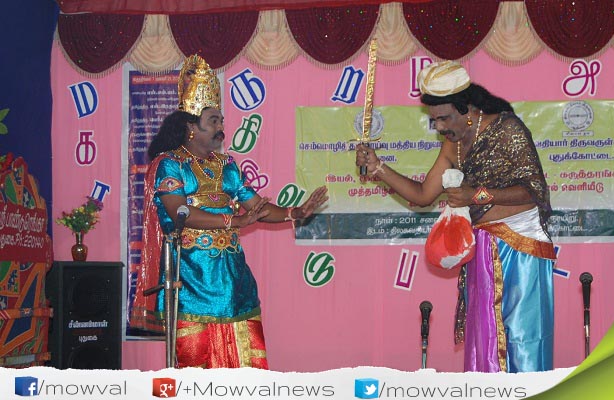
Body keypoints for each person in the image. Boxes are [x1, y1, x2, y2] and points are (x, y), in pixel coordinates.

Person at [356, 60, 555, 373]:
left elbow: (534, 190)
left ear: (467, 109)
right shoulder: (454, 145)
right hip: (482, 251)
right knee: (486, 343)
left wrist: (476, 195)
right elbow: (423, 195)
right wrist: (378, 167)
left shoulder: (507, 129)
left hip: (520, 247)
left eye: (444, 118)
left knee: (521, 340)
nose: (439, 127)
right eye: (434, 120)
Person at [131, 55, 328, 369]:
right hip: (191, 278)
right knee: (195, 367)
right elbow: (180, 211)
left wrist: (295, 212)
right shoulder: (170, 164)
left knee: (247, 363)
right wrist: (235, 220)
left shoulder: (227, 166)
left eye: (221, 120)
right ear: (190, 127)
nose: (221, 127)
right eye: (213, 121)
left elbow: (257, 207)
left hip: (234, 278)